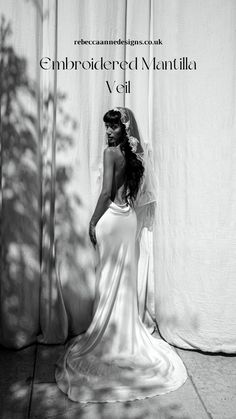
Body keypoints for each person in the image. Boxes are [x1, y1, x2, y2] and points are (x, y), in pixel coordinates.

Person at [55, 107, 188, 403]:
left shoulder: (110, 152)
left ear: (122, 129)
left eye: (113, 127)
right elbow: (130, 191)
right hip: (127, 219)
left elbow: (105, 193)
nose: (108, 132)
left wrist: (91, 221)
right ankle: (124, 334)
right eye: (106, 127)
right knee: (121, 283)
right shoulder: (131, 154)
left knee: (108, 280)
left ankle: (110, 337)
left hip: (113, 221)